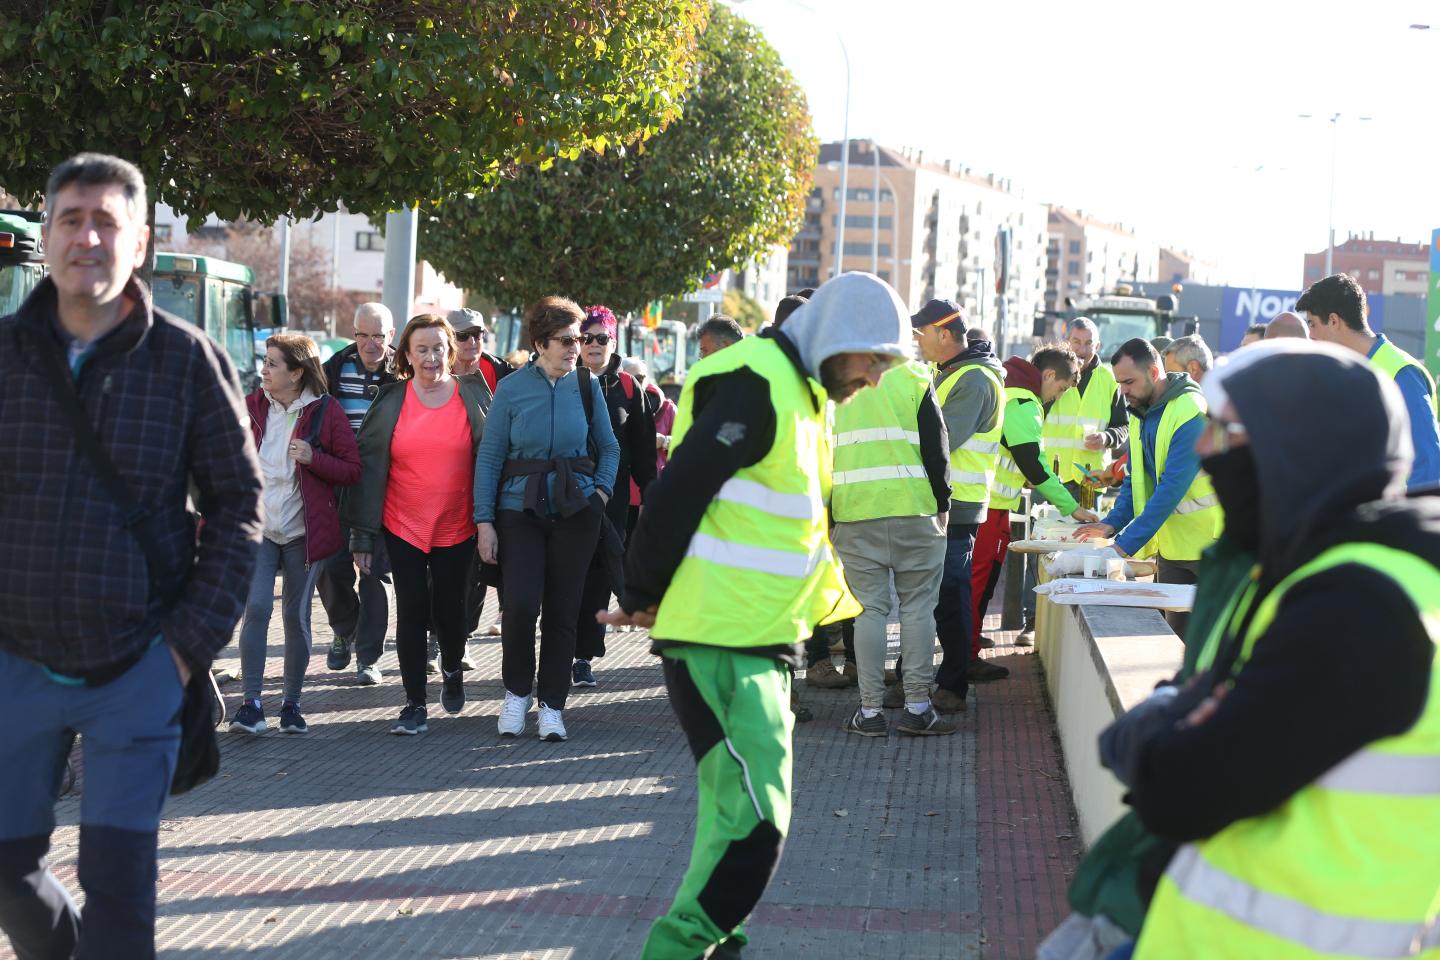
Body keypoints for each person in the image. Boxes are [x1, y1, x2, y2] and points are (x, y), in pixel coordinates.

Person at [597, 271, 909, 959]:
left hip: (752, 638)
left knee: (730, 816)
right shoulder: (760, 382)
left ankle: (715, 945)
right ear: (835, 339)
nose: (877, 379)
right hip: (723, 641)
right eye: (874, 360)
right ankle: (679, 950)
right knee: (756, 824)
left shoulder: (802, 394)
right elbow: (677, 491)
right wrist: (643, 593)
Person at [1095, 341, 1440, 960]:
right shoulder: (1315, 571)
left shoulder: (1358, 605)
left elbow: (1180, 787)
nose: (1206, 451)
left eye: (1225, 432)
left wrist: (1173, 719)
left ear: (1297, 445)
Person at [0, 153, 262, 958]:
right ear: (46, 234)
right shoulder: (5, 354)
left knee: (119, 892)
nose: (88, 237)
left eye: (107, 221)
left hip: (136, 669)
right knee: (7, 869)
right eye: (72, 219)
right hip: (14, 664)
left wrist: (183, 653)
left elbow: (238, 507)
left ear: (140, 241)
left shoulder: (186, 361)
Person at [474, 297, 619, 742]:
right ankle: (517, 693)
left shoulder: (587, 385)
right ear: (540, 343)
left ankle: (552, 705)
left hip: (576, 512)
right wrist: (484, 521)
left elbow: (609, 447)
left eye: (578, 338)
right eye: (565, 340)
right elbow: (491, 457)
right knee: (519, 607)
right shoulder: (513, 388)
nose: (576, 347)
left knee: (562, 612)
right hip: (519, 510)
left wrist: (600, 492)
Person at [342, 314, 491, 735]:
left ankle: (451, 667)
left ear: (451, 349)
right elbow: (369, 469)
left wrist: (488, 522)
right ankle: (414, 704)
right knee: (410, 611)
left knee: (450, 608)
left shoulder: (472, 396)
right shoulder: (391, 400)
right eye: (421, 349)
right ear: (406, 354)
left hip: (457, 522)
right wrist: (362, 535)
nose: (431, 357)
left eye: (438, 348)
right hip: (402, 520)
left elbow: (491, 458)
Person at [231, 335, 361, 735]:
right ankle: (251, 704)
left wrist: (314, 458)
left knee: (295, 615)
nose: (264, 370)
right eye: (265, 362)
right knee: (256, 608)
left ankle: (291, 704)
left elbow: (352, 469)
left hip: (306, 532)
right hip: (260, 528)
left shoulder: (327, 412)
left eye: (272, 364)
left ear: (296, 372)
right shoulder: (252, 408)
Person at [832, 356, 955, 736]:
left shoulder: (830, 378)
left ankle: (869, 713)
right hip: (915, 511)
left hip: (853, 511)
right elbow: (937, 445)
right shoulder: (915, 375)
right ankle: (917, 707)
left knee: (868, 611)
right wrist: (943, 503)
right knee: (918, 608)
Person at [1075, 339, 1221, 639]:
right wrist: (1111, 524)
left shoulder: (1190, 411)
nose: (1123, 391)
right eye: (1119, 383)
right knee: (1175, 637)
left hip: (1210, 546)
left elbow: (1169, 490)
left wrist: (1120, 548)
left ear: (1155, 372)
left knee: (1211, 642)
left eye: (1129, 382)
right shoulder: (1141, 410)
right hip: (1174, 547)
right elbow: (1135, 479)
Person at [972, 345, 1099, 673]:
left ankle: (967, 645)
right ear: (1049, 375)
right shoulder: (1024, 403)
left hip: (985, 504)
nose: (1058, 397)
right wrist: (1072, 508)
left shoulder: (1006, 389)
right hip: (987, 508)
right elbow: (1034, 463)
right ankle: (965, 658)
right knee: (977, 583)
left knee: (977, 583)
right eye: (1060, 389)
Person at [906, 298, 1004, 713]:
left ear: (943, 334)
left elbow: (942, 439)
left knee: (950, 591)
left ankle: (953, 683)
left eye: (920, 333)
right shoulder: (949, 372)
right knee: (930, 594)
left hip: (957, 505)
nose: (916, 341)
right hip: (939, 502)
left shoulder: (976, 380)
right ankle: (917, 675)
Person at [568, 304, 656, 688]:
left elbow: (643, 449)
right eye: (585, 338)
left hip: (612, 503)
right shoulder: (562, 379)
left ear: (613, 341)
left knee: (599, 578)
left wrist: (651, 497)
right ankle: (559, 648)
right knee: (564, 576)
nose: (593, 344)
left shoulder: (626, 387)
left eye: (601, 337)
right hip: (564, 497)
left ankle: (582, 657)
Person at [1297, 272, 1440, 491]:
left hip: (1395, 520)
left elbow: (1427, 465)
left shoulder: (1401, 372)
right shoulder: (1346, 371)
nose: (1310, 336)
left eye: (1312, 324)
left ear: (1334, 321)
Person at [319, 302, 397, 684]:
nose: (371, 343)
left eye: (379, 335)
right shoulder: (331, 369)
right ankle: (344, 628)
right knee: (331, 568)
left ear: (391, 336)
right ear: (354, 335)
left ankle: (368, 658)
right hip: (336, 482)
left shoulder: (404, 373)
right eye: (364, 335)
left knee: (375, 572)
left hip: (385, 485)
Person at [446, 307, 514, 648]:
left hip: (488, 485)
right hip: (441, 484)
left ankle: (461, 635)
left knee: (476, 567)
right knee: (439, 568)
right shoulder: (431, 370)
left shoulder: (501, 372)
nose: (472, 342)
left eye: (478, 334)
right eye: (463, 335)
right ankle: (437, 638)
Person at [1044, 317, 1129, 488]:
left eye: (1089, 343)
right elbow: (1033, 417)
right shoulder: (1050, 375)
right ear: (1066, 342)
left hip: (1091, 479)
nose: (1082, 350)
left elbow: (1123, 426)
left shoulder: (1110, 380)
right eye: (1076, 342)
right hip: (1050, 478)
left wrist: (1107, 437)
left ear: (1097, 346)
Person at [622, 356, 678, 539]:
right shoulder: (613, 406)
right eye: (630, 378)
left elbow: (685, 445)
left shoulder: (668, 409)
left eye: (640, 377)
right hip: (621, 495)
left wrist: (664, 441)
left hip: (655, 492)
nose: (637, 383)